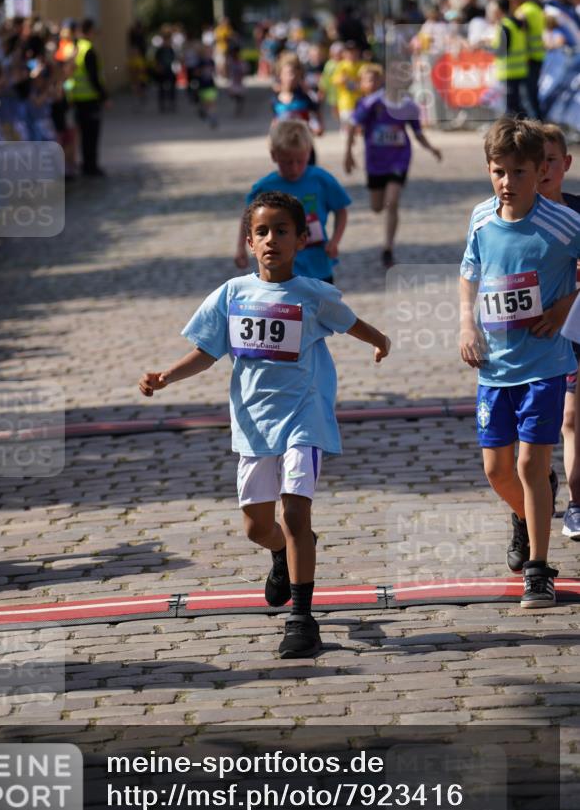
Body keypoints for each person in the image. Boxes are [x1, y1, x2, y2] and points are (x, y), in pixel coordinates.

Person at [139, 190, 390, 658]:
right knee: (258, 526)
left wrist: (380, 340)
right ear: (249, 243)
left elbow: (351, 321)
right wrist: (166, 376)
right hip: (254, 423)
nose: (271, 239)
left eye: (281, 231)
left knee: (296, 512)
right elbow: (208, 350)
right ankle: (282, 552)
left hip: (304, 417)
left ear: (301, 240)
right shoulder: (232, 295)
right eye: (261, 232)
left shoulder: (312, 294)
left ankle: (302, 618)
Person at [459, 117, 580, 608]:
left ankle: (538, 569)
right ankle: (531, 514)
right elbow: (469, 273)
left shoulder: (564, 223)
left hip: (545, 365)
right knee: (497, 471)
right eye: (498, 172)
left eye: (518, 172)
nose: (507, 183)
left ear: (541, 172)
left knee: (531, 464)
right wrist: (467, 326)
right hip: (494, 366)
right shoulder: (482, 219)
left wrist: (565, 304)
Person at [343, 63, 441, 269]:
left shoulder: (409, 106)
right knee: (377, 207)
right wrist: (348, 153)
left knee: (392, 201)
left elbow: (417, 133)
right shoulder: (371, 103)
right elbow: (353, 124)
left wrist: (431, 148)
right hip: (375, 161)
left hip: (399, 159)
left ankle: (387, 248)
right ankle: (386, 237)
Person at [235, 120, 351, 285]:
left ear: (309, 153)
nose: (294, 168)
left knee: (320, 310)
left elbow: (341, 210)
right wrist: (241, 248)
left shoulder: (321, 180)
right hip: (278, 268)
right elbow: (248, 218)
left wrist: (335, 241)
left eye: (300, 161)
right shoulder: (265, 187)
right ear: (274, 155)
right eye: (287, 162)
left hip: (317, 266)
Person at [538, 124, 580, 538]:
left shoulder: (577, 213)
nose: (544, 168)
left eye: (552, 160)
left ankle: (577, 503)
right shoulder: (510, 215)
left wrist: (566, 303)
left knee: (570, 419)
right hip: (528, 337)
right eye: (538, 161)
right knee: (535, 425)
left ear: (565, 164)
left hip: (573, 334)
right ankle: (542, 476)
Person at [66, 18, 108, 177]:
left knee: (82, 134)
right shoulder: (88, 49)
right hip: (90, 98)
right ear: (90, 31)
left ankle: (85, 164)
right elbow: (93, 77)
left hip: (76, 98)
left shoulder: (73, 47)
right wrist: (104, 97)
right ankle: (91, 166)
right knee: (92, 135)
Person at [506, 0, 545, 119]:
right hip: (539, 55)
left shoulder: (523, 12)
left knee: (528, 97)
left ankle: (536, 129)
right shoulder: (536, 9)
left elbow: (523, 33)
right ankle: (538, 125)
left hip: (528, 57)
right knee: (532, 95)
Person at [492, 0, 528, 118]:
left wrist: (487, 48)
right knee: (517, 106)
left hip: (508, 72)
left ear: (498, 8)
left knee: (511, 109)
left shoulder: (505, 26)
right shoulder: (517, 23)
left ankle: (514, 135)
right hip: (520, 70)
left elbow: (501, 51)